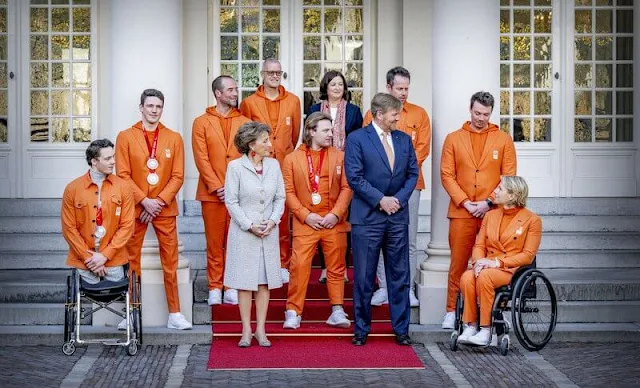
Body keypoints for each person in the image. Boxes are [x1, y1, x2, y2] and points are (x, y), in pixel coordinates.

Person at [345, 93, 418, 346]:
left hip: (397, 216)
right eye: (394, 114)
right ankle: (361, 329)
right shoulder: (356, 139)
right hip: (367, 218)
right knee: (364, 278)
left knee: (399, 275)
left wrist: (397, 199)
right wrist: (380, 200)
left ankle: (401, 329)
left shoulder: (404, 140)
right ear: (379, 114)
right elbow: (354, 177)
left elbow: (412, 174)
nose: (398, 118)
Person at [115, 89, 192, 330]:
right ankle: (131, 312)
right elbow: (123, 174)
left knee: (170, 261)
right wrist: (144, 201)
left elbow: (178, 176)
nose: (154, 110)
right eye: (150, 106)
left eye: (158, 106)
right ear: (141, 107)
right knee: (131, 260)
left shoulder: (173, 137)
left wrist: (156, 201)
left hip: (164, 208)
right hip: (136, 208)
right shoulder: (126, 136)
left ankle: (175, 313)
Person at [440, 91, 517, 330]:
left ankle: (496, 311)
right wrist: (464, 201)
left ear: (491, 112)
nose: (480, 118)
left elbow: (509, 177)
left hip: (493, 212)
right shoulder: (453, 138)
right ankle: (452, 310)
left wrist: (488, 202)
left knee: (494, 262)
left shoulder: (503, 139)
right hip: (462, 211)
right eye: (476, 113)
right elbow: (447, 174)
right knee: (458, 262)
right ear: (469, 109)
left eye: (485, 114)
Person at [362, 66, 431, 307]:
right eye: (399, 88)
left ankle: (406, 288)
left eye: (406, 88)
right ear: (388, 86)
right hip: (379, 188)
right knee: (380, 237)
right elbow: (367, 148)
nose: (403, 93)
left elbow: (422, 150)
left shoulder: (419, 114)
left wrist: (399, 176)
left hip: (410, 186)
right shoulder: (374, 113)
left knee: (408, 240)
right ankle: (383, 287)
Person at [282, 112, 353, 330]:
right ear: (311, 131)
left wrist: (336, 214)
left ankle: (337, 309)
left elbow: (347, 187)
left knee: (336, 267)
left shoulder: (340, 156)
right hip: (306, 223)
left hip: (334, 221)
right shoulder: (292, 159)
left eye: (331, 130)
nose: (330, 134)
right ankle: (293, 311)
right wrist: (305, 215)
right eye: (325, 130)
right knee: (300, 266)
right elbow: (288, 191)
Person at [458, 176, 542, 345]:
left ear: (512, 195)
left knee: (485, 277)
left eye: (500, 189)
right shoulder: (491, 216)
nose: (494, 191)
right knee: (467, 277)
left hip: (511, 270)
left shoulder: (532, 220)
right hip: (487, 265)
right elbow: (479, 245)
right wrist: (477, 263)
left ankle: (487, 329)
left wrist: (497, 263)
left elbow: (528, 255)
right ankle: (471, 326)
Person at [223, 121, 285, 348]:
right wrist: (248, 224)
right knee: (244, 282)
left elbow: (280, 198)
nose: (270, 144)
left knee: (263, 283)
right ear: (251, 145)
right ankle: (246, 330)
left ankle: (261, 330)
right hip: (244, 233)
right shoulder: (235, 168)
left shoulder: (274, 166)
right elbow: (231, 201)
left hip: (268, 232)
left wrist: (272, 221)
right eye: (265, 141)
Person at [240, 58, 301, 283]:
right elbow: (246, 135)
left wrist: (284, 153)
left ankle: (283, 264)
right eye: (270, 73)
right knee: (257, 212)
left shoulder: (293, 101)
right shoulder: (249, 103)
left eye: (278, 73)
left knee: (282, 214)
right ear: (262, 74)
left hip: (283, 164)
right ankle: (257, 265)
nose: (275, 76)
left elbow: (294, 135)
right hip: (257, 164)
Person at [192, 75, 250, 306]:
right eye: (230, 90)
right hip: (212, 193)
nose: (235, 93)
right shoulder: (201, 122)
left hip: (240, 193)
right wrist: (217, 186)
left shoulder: (245, 121)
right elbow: (201, 158)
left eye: (236, 89)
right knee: (214, 242)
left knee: (236, 241)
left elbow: (249, 156)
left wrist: (235, 188)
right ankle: (215, 286)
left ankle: (232, 285)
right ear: (218, 93)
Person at [307, 70, 363, 284]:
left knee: (341, 218)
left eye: (340, 84)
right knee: (322, 213)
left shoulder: (354, 112)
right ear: (326, 87)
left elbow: (357, 142)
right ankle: (323, 268)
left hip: (345, 167)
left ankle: (340, 267)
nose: (337, 88)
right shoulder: (314, 109)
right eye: (333, 84)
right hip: (319, 168)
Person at [61, 139, 135, 286]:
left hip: (114, 261)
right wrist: (90, 259)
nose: (113, 162)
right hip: (84, 262)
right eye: (107, 158)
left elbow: (127, 226)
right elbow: (69, 229)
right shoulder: (72, 189)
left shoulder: (124, 187)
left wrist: (104, 256)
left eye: (113, 157)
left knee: (117, 297)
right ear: (94, 161)